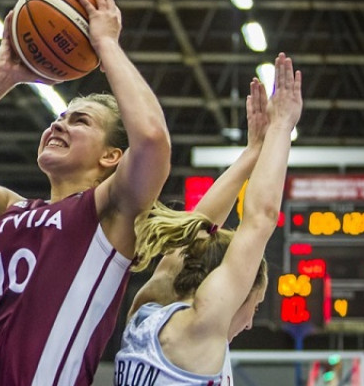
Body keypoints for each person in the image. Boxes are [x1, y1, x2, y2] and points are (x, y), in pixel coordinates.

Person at [0, 0, 171, 385]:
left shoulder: (111, 211)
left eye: (79, 120)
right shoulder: (10, 210)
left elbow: (151, 139)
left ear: (111, 156)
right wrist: (3, 74)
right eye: (60, 116)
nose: (58, 124)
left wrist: (107, 46)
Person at [115, 53, 302, 385]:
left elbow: (192, 232)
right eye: (254, 306)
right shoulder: (197, 331)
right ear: (226, 289)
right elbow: (259, 219)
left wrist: (252, 154)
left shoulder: (146, 313)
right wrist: (282, 128)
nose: (248, 324)